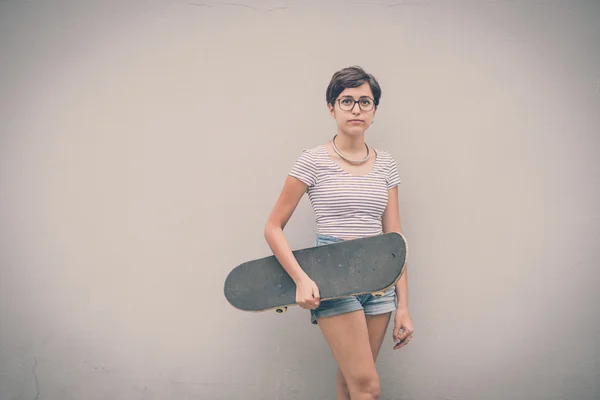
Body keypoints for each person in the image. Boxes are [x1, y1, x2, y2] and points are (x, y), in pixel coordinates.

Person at [264, 66, 414, 400]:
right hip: (332, 274)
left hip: (380, 277)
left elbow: (395, 239)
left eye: (365, 101)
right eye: (346, 101)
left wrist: (404, 305)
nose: (356, 109)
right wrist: (301, 279)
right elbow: (273, 227)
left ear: (375, 111)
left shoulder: (386, 164)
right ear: (331, 108)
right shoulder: (312, 161)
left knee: (351, 382)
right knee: (368, 388)